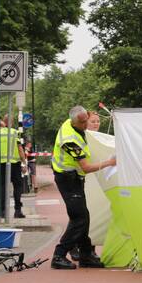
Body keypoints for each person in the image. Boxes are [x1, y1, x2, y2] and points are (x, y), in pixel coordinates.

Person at [50, 105, 115, 270]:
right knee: (79, 218)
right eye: (83, 122)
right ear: (74, 121)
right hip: (67, 178)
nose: (87, 124)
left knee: (83, 216)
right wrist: (109, 163)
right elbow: (86, 167)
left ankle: (86, 255)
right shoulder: (69, 140)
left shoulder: (72, 123)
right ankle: (59, 255)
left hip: (75, 178)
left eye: (87, 120)